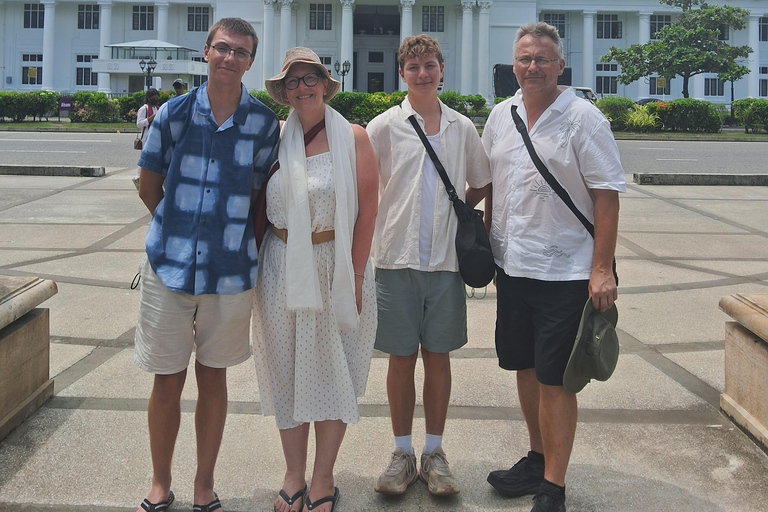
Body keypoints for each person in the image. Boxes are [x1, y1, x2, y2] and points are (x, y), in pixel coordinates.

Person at [133, 17, 279, 512]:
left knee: (213, 377)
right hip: (169, 268)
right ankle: (159, 480)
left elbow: (260, 193)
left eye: (240, 51)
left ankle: (204, 483)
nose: (229, 58)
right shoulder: (173, 115)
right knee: (167, 378)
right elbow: (148, 186)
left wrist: (224, 237)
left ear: (251, 61)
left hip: (230, 272)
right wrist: (178, 230)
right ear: (206, 51)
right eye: (222, 48)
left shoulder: (261, 124)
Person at [482, 22, 625, 512]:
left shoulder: (585, 119)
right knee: (523, 366)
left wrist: (601, 269)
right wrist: (483, 239)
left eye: (543, 59)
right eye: (524, 59)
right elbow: (493, 184)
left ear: (560, 65)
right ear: (513, 65)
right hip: (514, 266)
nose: (533, 67)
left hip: (566, 274)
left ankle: (553, 486)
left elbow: (607, 197)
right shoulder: (501, 116)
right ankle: (537, 457)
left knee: (555, 379)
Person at [252, 47, 378, 512]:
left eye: (310, 79)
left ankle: (322, 478)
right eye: (293, 81)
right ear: (283, 92)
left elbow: (367, 213)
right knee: (285, 373)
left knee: (332, 374)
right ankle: (292, 473)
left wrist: (359, 273)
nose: (302, 87)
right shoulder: (275, 138)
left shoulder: (354, 137)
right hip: (280, 265)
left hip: (335, 268)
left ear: (326, 85)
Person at [366, 35, 490, 497]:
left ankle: (434, 452)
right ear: (402, 73)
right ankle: (402, 453)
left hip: (445, 263)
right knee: (400, 360)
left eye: (430, 65)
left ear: (442, 70)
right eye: (413, 66)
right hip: (395, 258)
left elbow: (479, 182)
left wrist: (457, 218)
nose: (422, 73)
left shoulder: (461, 128)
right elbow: (366, 188)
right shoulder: (383, 127)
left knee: (438, 358)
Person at [132, 88, 159, 189]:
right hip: (146, 138)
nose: (155, 99)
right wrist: (150, 118)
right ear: (148, 98)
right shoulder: (144, 109)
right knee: (144, 158)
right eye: (153, 97)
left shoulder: (158, 108)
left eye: (156, 97)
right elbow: (139, 124)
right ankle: (138, 177)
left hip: (156, 137)